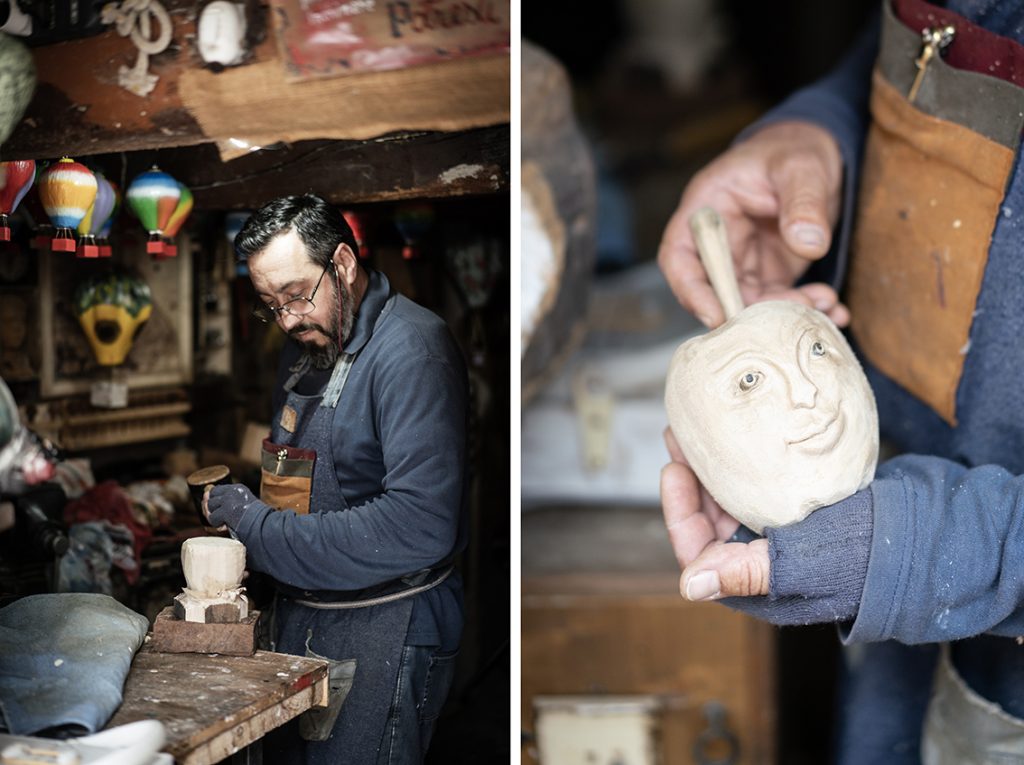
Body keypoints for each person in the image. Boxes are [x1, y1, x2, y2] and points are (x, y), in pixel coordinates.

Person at [658, 2, 1024, 763]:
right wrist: (819, 130)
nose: (805, 395)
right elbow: (932, 32)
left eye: (818, 355)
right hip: (888, 593)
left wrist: (918, 549)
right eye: (753, 379)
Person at [203, 194, 468, 764]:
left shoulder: (412, 353)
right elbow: (305, 473)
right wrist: (249, 517)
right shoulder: (302, 348)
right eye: (270, 304)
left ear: (343, 263)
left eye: (298, 294)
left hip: (383, 627)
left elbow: (419, 526)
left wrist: (258, 526)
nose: (289, 319)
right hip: (301, 619)